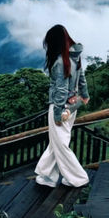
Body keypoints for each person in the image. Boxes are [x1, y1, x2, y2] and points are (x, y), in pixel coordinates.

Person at [34, 24, 90, 188]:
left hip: (61, 107)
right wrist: (84, 96)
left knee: (61, 145)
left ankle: (78, 178)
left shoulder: (60, 61)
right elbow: (82, 79)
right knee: (57, 142)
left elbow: (60, 89)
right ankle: (48, 175)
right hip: (72, 106)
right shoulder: (75, 56)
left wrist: (58, 114)